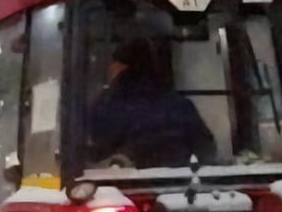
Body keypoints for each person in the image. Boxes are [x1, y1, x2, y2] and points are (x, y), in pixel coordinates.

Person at [89, 39, 216, 167]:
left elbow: (95, 151)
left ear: (119, 66)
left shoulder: (108, 105)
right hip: (181, 182)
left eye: (111, 64)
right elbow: (206, 150)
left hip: (123, 183)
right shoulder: (181, 105)